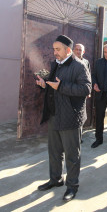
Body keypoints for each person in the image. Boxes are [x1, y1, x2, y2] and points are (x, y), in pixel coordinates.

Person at [35, 35, 91, 202]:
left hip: (71, 117)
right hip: (54, 115)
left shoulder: (79, 66)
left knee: (72, 155)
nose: (54, 52)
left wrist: (62, 86)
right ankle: (55, 179)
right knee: (54, 152)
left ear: (68, 50)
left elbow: (86, 89)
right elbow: (53, 87)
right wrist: (45, 85)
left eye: (57, 49)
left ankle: (72, 186)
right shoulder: (55, 65)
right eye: (53, 49)